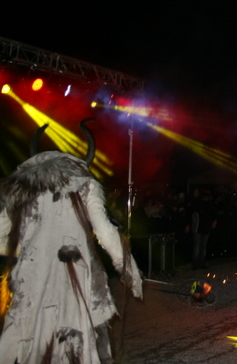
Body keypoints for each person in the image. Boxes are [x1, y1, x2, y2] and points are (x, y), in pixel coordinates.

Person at [0, 123, 143, 364]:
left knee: (26, 344)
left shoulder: (18, 188)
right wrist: (130, 272)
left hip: (31, 281)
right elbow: (105, 231)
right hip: (75, 280)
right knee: (78, 344)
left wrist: (30, 250)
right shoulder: (85, 184)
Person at [189, 189, 217, 269]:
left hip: (206, 228)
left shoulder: (210, 205)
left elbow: (214, 214)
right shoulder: (197, 204)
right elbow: (191, 213)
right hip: (197, 228)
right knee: (197, 247)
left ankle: (201, 262)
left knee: (203, 247)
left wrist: (214, 221)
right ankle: (195, 263)